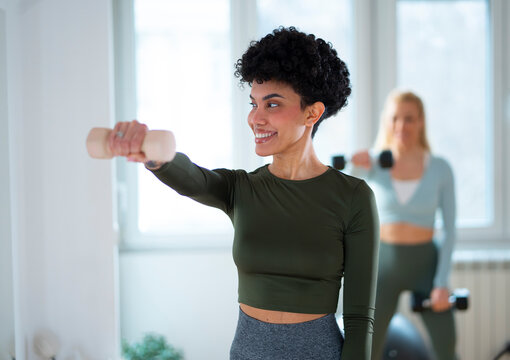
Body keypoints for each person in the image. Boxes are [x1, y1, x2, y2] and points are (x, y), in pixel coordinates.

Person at [108, 27, 379, 360]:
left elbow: (358, 318)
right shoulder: (241, 188)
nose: (255, 118)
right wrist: (154, 155)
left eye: (272, 104)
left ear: (313, 112)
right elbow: (195, 179)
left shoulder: (353, 197)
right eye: (254, 103)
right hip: (248, 351)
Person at [350, 90, 457, 360]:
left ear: (421, 121)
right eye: (394, 118)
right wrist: (354, 168)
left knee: (447, 348)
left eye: (409, 119)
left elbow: (451, 229)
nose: (401, 126)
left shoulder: (440, 168)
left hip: (426, 266)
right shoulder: (373, 164)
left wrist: (442, 283)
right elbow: (341, 199)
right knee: (366, 350)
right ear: (386, 122)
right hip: (383, 266)